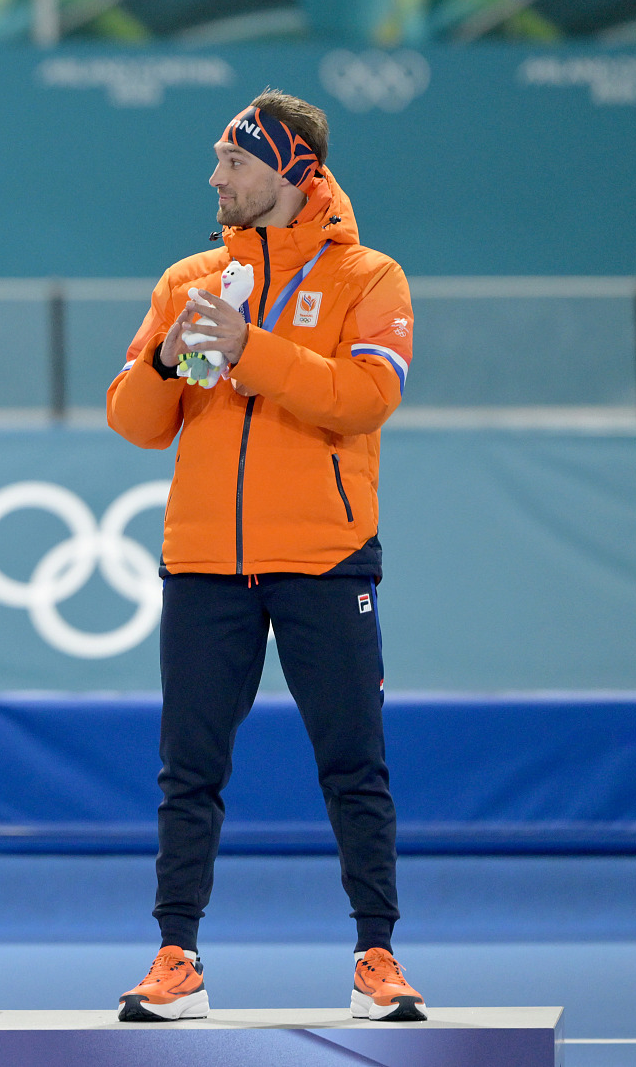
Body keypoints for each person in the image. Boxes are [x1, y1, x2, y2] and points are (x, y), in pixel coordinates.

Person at [105, 91, 425, 1024]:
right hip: (205, 561)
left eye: (234, 161)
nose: (215, 176)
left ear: (292, 171)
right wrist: (163, 360)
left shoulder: (371, 276)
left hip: (327, 556)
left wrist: (251, 347)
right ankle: (176, 956)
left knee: (354, 764)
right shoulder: (190, 279)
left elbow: (364, 398)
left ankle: (376, 956)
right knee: (188, 769)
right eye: (218, 158)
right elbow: (133, 423)